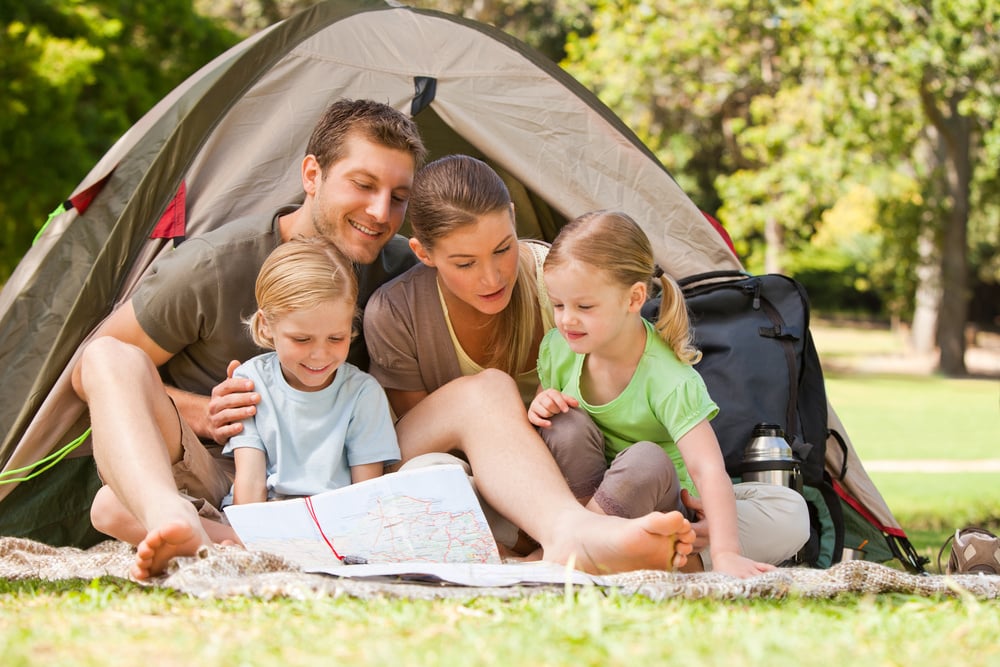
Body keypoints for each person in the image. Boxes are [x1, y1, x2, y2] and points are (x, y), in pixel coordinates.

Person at [72, 102, 694, 580]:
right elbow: (90, 373)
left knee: (486, 392)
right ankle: (173, 520)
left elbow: (500, 269)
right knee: (106, 367)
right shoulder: (216, 265)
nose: (379, 211)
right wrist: (205, 411)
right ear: (311, 174)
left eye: (398, 196)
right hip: (223, 467)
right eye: (363, 185)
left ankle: (570, 533)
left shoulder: (401, 266)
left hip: (349, 467)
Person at [528, 210, 810, 578]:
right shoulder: (559, 348)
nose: (566, 320)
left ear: (634, 299)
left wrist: (726, 553)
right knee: (562, 422)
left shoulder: (668, 377)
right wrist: (538, 405)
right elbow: (537, 428)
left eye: (584, 307)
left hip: (657, 507)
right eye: (559, 304)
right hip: (582, 503)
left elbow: (707, 469)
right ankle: (585, 544)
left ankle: (574, 552)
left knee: (652, 460)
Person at [222, 237, 399, 508]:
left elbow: (366, 493)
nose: (320, 355)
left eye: (336, 338)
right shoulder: (250, 382)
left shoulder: (363, 393)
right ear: (267, 325)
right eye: (302, 340)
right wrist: (247, 543)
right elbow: (250, 481)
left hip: (336, 519)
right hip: (265, 514)